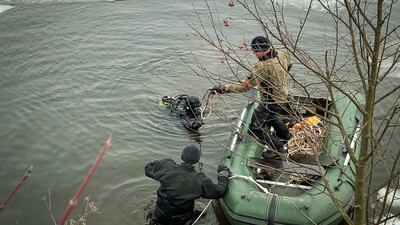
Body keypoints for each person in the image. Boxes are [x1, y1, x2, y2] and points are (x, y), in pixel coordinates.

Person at [208, 35, 293, 158]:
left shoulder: (262, 66)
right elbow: (290, 64)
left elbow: (245, 86)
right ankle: (286, 135)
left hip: (271, 100)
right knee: (271, 115)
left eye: (255, 51)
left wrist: (224, 89)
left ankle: (278, 148)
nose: (253, 53)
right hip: (283, 95)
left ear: (262, 51)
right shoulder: (281, 53)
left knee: (254, 128)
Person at [145, 144, 230, 225]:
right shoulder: (200, 179)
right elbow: (220, 191)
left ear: (181, 157)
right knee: (203, 215)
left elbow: (148, 169)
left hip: (158, 218)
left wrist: (158, 163)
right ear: (197, 161)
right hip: (181, 222)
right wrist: (223, 174)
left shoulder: (167, 167)